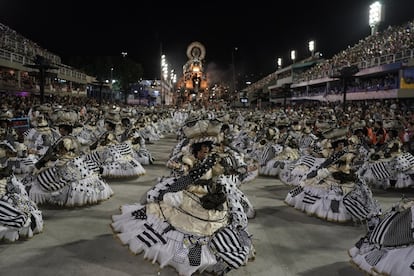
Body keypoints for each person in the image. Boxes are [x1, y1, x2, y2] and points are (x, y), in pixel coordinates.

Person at [111, 116, 255, 275]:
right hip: (190, 194)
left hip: (209, 196)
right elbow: (183, 173)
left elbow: (218, 175)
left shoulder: (213, 160)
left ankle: (220, 252)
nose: (205, 151)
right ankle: (187, 256)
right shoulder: (190, 159)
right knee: (171, 214)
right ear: (197, 149)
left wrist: (233, 173)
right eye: (203, 149)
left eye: (207, 148)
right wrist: (179, 170)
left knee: (221, 219)